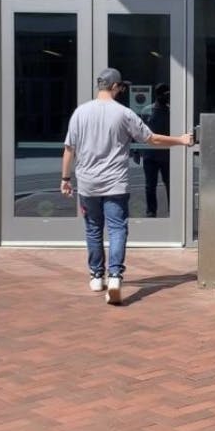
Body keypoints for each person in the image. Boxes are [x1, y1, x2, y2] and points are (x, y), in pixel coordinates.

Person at [60, 68, 193, 305]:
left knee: (93, 229)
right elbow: (152, 139)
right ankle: (114, 277)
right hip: (115, 184)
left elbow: (69, 149)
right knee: (117, 229)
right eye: (121, 86)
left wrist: (65, 179)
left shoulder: (80, 113)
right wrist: (181, 140)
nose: (122, 90)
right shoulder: (123, 113)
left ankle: (96, 276)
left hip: (88, 184)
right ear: (114, 87)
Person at [139, 83, 171, 217]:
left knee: (170, 183)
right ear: (158, 95)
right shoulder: (147, 111)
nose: (167, 97)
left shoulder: (171, 111)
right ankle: (151, 211)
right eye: (166, 95)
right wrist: (137, 151)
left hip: (167, 154)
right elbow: (140, 132)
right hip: (150, 154)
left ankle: (173, 210)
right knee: (150, 185)